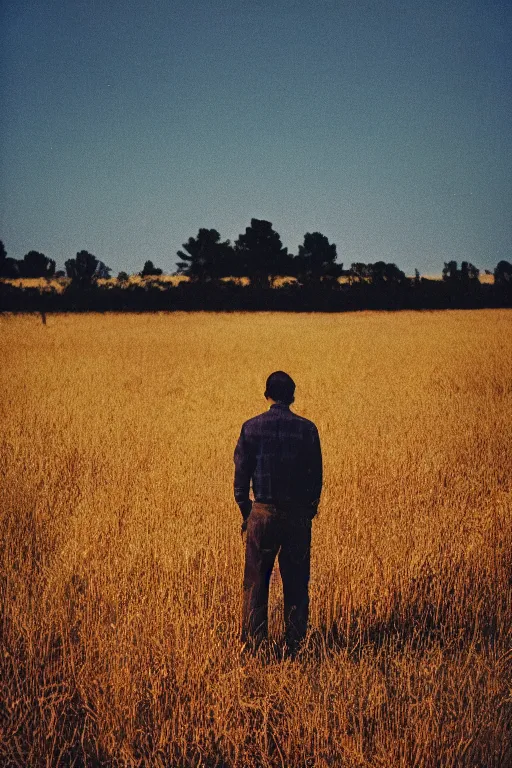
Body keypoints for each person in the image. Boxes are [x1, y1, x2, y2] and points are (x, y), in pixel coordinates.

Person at [234, 371, 322, 658]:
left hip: (263, 513)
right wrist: (307, 511)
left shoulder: (250, 428)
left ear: (267, 395)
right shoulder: (308, 430)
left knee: (256, 583)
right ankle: (296, 646)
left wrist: (249, 512)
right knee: (296, 582)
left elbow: (240, 481)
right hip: (297, 517)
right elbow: (315, 478)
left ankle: (257, 649)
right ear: (293, 396)